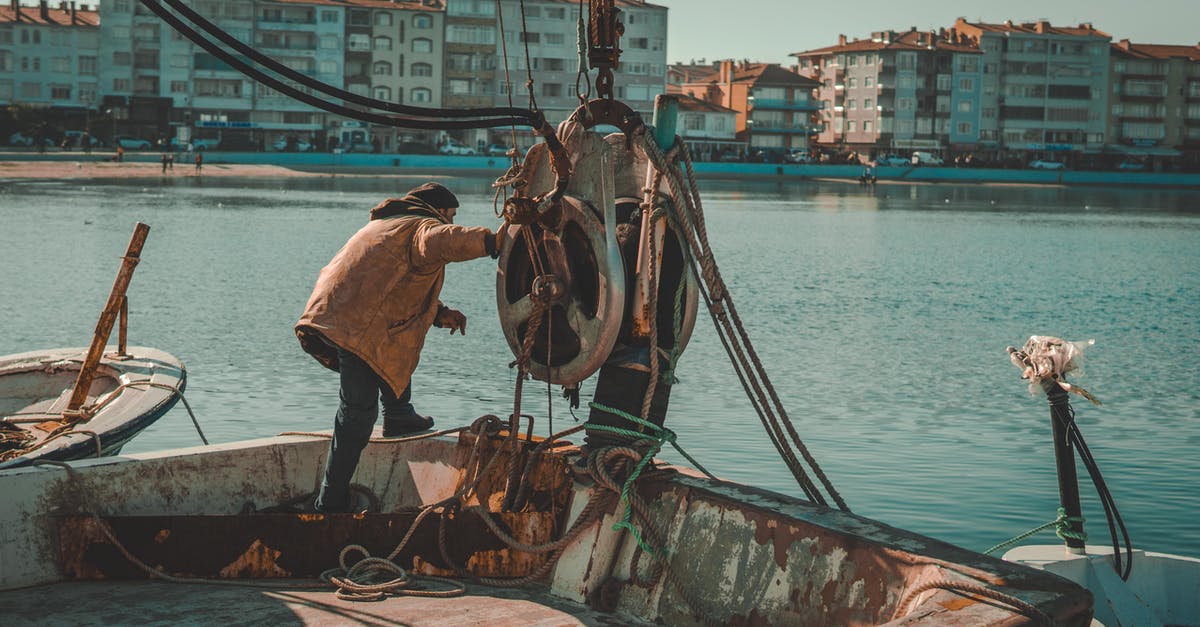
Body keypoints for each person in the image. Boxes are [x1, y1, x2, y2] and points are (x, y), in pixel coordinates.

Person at [295, 182, 499, 513]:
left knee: (395, 341)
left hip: (344, 311)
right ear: (439, 211)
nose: (450, 222)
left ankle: (400, 414)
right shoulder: (420, 227)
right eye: (451, 215)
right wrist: (493, 241)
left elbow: (395, 286)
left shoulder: (387, 225)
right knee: (358, 415)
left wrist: (438, 313)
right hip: (356, 323)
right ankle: (329, 504)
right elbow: (441, 242)